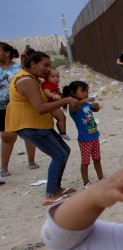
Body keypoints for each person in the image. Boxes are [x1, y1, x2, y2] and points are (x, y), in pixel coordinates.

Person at [6, 51, 79, 205]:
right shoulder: (26, 80)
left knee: (64, 151)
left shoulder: (32, 79)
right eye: (45, 65)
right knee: (59, 155)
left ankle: (56, 188)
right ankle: (50, 194)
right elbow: (39, 107)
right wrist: (64, 100)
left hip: (38, 125)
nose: (47, 69)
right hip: (30, 126)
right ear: (33, 64)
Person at [1, 42, 38, 177]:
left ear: (7, 53)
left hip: (19, 106)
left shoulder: (18, 70)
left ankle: (31, 161)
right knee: (6, 137)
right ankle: (3, 167)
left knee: (27, 133)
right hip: (1, 109)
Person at [63, 81, 103, 188]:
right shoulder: (73, 106)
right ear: (73, 93)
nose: (86, 93)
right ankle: (86, 183)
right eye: (83, 91)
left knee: (97, 158)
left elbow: (95, 109)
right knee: (85, 162)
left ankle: (101, 178)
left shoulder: (86, 104)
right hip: (85, 139)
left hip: (94, 136)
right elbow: (76, 106)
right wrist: (86, 100)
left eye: (87, 91)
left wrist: (96, 106)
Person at [41, 68, 72, 141]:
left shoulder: (53, 85)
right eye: (53, 76)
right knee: (61, 118)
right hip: (50, 105)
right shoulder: (47, 84)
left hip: (53, 104)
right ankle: (62, 132)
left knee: (62, 118)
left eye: (57, 76)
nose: (56, 78)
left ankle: (63, 132)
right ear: (46, 77)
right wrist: (53, 96)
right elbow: (46, 91)